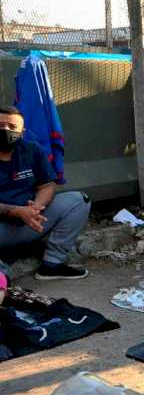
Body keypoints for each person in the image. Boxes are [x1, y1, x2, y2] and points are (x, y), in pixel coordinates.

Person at [0, 106, 89, 280]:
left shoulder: (32, 150)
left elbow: (47, 185)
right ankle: (2, 277)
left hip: (31, 222)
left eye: (12, 127)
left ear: (22, 132)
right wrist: (15, 211)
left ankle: (52, 265)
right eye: (0, 125)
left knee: (79, 201)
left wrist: (37, 207)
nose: (5, 130)